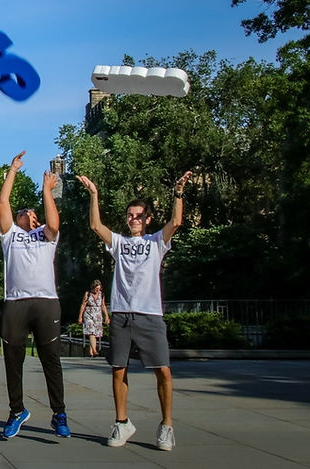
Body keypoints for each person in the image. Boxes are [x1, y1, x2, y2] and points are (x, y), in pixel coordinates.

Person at [77, 171, 192, 452]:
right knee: (119, 370)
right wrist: (94, 194)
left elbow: (176, 221)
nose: (133, 219)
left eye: (138, 216)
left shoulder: (156, 242)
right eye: (130, 215)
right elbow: (96, 225)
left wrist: (178, 192)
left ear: (147, 219)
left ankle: (166, 426)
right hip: (121, 315)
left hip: (150, 315)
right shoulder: (120, 243)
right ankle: (122, 421)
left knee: (163, 371)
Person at [0, 152, 70, 439]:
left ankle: (59, 412)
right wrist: (12, 170)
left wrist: (46, 192)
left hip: (45, 302)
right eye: (23, 213)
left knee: (50, 357)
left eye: (33, 213)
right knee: (13, 360)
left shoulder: (46, 235)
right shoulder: (11, 236)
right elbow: (3, 203)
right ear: (16, 219)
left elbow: (53, 224)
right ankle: (17, 411)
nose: (28, 215)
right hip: (15, 302)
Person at [78, 280, 110, 358]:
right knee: (91, 332)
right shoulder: (88, 294)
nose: (98, 290)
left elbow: (103, 305)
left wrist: (106, 316)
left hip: (98, 315)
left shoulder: (101, 295)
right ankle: (95, 350)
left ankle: (91, 351)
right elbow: (83, 305)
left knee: (95, 333)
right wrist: (80, 317)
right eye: (96, 289)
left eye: (99, 289)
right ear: (93, 287)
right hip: (89, 314)